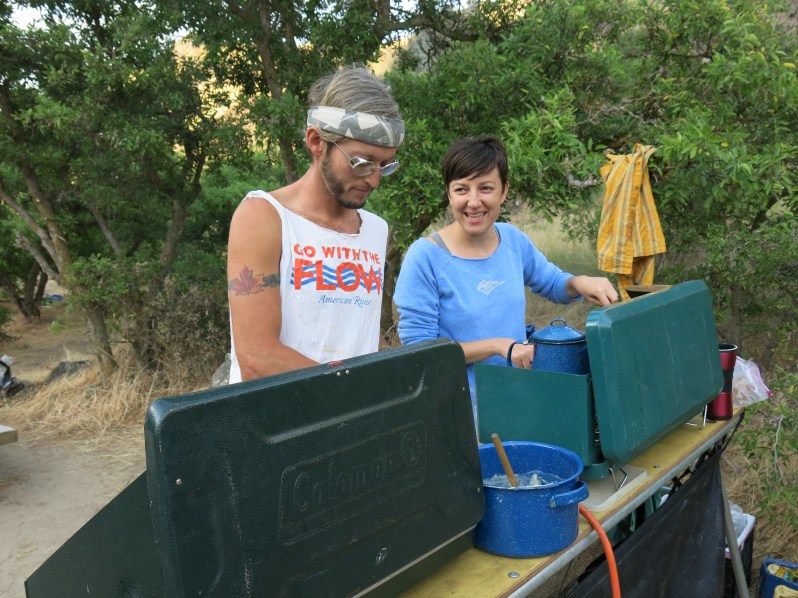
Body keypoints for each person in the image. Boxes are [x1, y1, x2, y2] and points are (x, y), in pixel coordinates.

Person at [393, 136, 618, 418]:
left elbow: (551, 283)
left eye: (486, 188)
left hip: (516, 398)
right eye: (461, 189)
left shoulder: (511, 239)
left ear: (504, 191)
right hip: (458, 411)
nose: (473, 202)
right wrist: (498, 346)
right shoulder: (425, 257)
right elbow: (421, 351)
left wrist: (579, 282)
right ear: (449, 194)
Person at [226, 65, 404, 383]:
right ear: (316, 141)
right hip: (277, 427)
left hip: (355, 424)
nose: (375, 179)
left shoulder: (377, 230)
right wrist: (354, 388)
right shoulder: (264, 218)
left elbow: (356, 334)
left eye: (385, 166)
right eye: (362, 162)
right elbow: (256, 357)